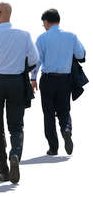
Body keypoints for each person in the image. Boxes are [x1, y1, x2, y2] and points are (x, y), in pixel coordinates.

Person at [0, 2, 38, 184]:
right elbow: (35, 59)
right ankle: (15, 154)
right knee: (16, 125)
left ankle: (3, 171)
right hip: (17, 82)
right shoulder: (24, 34)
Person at [31, 9, 85, 156]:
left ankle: (53, 147)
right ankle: (66, 130)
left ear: (46, 22)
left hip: (48, 79)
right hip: (65, 79)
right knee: (64, 110)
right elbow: (81, 54)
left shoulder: (42, 38)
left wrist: (33, 78)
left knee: (48, 113)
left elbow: (37, 61)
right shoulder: (71, 36)